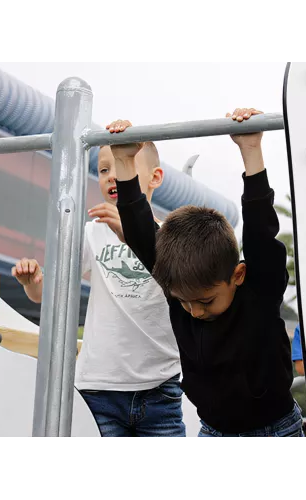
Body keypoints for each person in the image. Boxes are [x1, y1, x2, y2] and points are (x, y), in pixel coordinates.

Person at [94, 107, 304, 439]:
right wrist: (123, 161)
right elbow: (141, 234)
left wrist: (251, 149)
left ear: (237, 275)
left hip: (273, 430)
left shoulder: (259, 290)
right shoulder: (178, 286)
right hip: (213, 431)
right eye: (185, 302)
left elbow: (261, 232)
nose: (194, 311)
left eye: (205, 301)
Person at [12, 141, 185, 439]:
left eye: (120, 167)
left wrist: (134, 229)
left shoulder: (169, 236)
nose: (110, 176)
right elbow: (47, 296)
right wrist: (32, 283)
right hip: (99, 388)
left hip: (160, 389)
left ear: (155, 178)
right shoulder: (92, 233)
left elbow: (187, 293)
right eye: (103, 169)